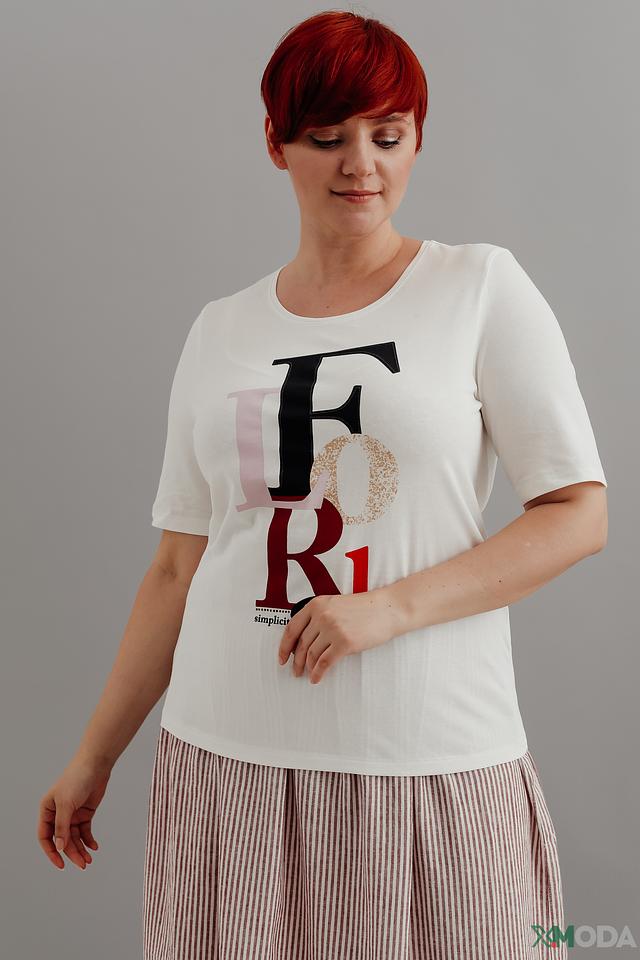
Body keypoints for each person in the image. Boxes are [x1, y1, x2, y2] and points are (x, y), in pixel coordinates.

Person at [38, 10, 608, 960]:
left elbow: (577, 514)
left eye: (387, 135)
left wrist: (386, 610)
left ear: (417, 139)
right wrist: (95, 756)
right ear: (277, 143)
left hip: (428, 759)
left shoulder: (479, 289)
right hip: (226, 765)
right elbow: (177, 567)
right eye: (327, 137)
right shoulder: (220, 329)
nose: (360, 165)